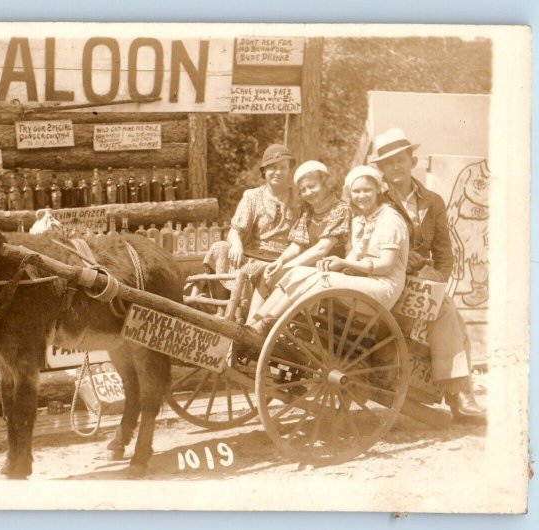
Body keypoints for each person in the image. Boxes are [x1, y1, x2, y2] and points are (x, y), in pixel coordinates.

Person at [371, 128, 486, 424]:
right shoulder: (378, 202)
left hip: (424, 282)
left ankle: (458, 396)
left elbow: (444, 251)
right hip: (390, 279)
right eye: (388, 163)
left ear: (413, 161)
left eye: (400, 160)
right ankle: (459, 397)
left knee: (455, 321)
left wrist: (437, 283)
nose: (395, 167)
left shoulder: (432, 201)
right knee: (449, 316)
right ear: (381, 170)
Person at [249, 165, 409, 331]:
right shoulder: (360, 220)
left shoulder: (390, 219)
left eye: (366, 190)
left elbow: (386, 266)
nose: (361, 196)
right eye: (356, 192)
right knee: (299, 273)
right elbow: (353, 256)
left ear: (378, 189)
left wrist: (344, 264)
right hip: (363, 282)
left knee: (319, 279)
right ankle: (256, 322)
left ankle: (265, 325)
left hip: (383, 288)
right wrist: (338, 265)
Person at [202, 143, 299, 283]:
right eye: (272, 167)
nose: (278, 172)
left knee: (250, 270)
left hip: (283, 259)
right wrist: (236, 245)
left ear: (289, 171)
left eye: (283, 167)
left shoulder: (298, 198)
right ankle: (220, 302)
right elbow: (235, 231)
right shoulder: (252, 197)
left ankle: (242, 303)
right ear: (264, 171)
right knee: (220, 248)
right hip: (252, 254)